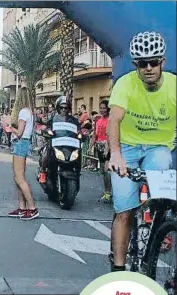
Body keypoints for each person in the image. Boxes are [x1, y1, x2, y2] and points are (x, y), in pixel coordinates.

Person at [107, 31, 176, 272]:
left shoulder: (175, 87)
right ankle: (118, 269)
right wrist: (115, 154)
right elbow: (114, 120)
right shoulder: (125, 84)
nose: (148, 68)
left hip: (158, 147)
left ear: (162, 63)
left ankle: (159, 225)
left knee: (161, 163)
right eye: (142, 63)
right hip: (127, 148)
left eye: (153, 62)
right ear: (136, 64)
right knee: (124, 211)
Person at [38, 96, 81, 183]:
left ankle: (77, 171)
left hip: (69, 145)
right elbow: (47, 126)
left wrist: (81, 134)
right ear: (58, 108)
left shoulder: (73, 120)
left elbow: (78, 129)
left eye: (66, 108)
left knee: (79, 152)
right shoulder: (54, 118)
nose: (64, 109)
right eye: (61, 107)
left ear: (69, 109)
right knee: (46, 153)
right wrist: (46, 130)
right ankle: (43, 172)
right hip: (56, 142)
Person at [7, 102, 38, 220]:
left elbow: (19, 132)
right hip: (22, 143)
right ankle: (22, 207)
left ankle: (32, 208)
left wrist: (9, 125)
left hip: (21, 144)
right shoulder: (28, 112)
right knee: (18, 178)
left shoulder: (23, 112)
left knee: (20, 178)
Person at [89, 100, 112, 202]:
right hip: (99, 147)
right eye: (101, 108)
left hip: (109, 147)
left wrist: (108, 148)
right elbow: (95, 135)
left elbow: (111, 136)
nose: (102, 110)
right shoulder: (98, 121)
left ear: (108, 108)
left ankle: (110, 193)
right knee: (103, 170)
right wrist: (90, 147)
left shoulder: (111, 120)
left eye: (104, 108)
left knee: (108, 171)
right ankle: (107, 192)